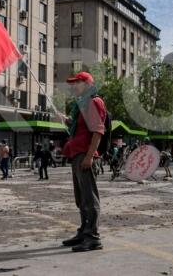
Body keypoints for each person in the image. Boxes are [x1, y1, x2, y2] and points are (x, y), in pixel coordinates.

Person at [60, 71, 106, 252]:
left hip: (85, 155)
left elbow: (97, 131)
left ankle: (92, 237)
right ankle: (83, 231)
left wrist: (89, 156)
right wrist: (66, 120)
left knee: (89, 198)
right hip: (76, 153)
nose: (73, 86)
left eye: (77, 82)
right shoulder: (82, 104)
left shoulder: (94, 102)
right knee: (81, 198)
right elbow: (81, 127)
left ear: (87, 84)